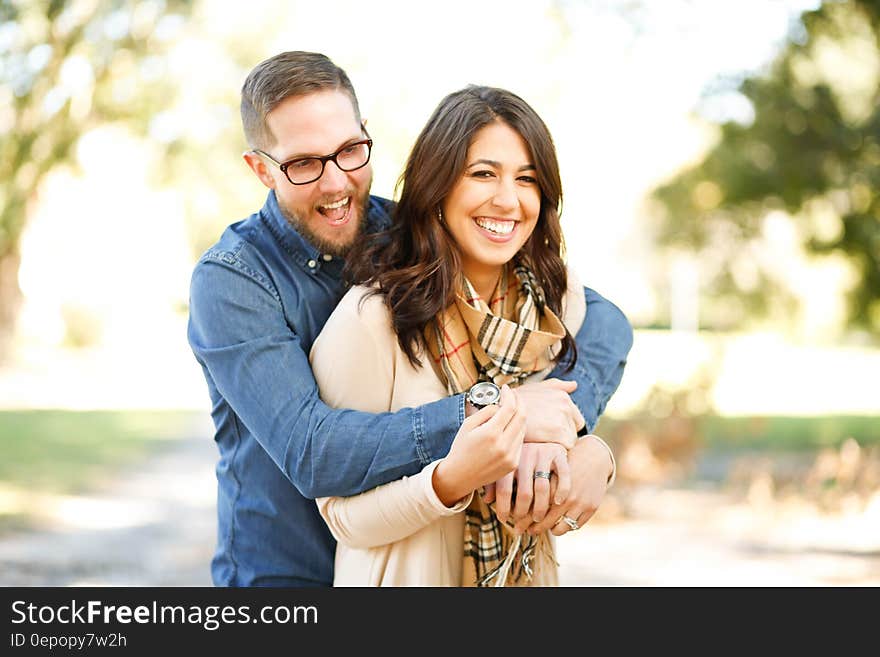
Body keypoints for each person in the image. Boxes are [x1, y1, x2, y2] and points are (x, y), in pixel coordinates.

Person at [187, 51, 633, 587]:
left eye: (350, 151)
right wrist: (492, 414)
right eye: (303, 163)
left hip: (415, 560)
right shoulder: (234, 279)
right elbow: (313, 450)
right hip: (284, 575)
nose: (335, 184)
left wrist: (566, 432)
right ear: (261, 168)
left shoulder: (410, 233)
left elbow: (603, 320)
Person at [310, 85, 619, 586]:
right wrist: (452, 478)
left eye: (527, 179)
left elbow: (564, 420)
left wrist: (595, 456)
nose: (508, 200)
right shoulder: (373, 319)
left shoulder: (552, 304)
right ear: (439, 186)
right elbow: (341, 515)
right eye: (483, 174)